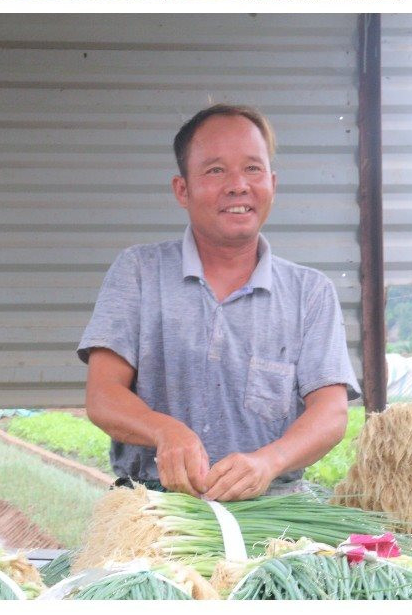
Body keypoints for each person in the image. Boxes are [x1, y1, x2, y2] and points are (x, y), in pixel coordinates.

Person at [79, 105, 355, 499]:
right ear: (182, 190)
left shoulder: (310, 292)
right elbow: (102, 396)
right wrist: (164, 430)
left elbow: (330, 414)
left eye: (253, 169)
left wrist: (268, 462)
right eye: (215, 170)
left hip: (271, 516)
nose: (238, 185)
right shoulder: (139, 272)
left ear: (272, 184)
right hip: (155, 509)